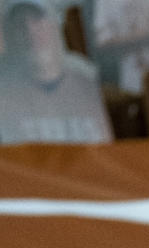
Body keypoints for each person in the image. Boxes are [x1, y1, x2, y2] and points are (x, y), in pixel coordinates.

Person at [0, 0, 113, 144]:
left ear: (55, 23)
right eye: (19, 24)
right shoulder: (5, 88)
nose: (30, 31)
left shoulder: (86, 78)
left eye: (37, 20)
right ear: (9, 34)